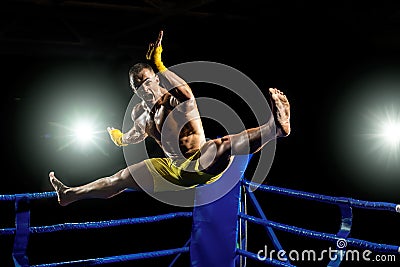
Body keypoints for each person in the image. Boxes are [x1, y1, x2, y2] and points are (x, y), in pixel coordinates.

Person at [49, 30, 291, 206]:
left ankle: (274, 129)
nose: (145, 88)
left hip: (200, 161)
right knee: (121, 177)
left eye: (147, 81)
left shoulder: (174, 101)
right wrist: (120, 138)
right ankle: (70, 194)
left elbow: (187, 94)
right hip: (173, 169)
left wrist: (160, 65)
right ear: (134, 91)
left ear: (156, 80)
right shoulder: (140, 114)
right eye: (138, 86)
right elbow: (135, 135)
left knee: (222, 145)